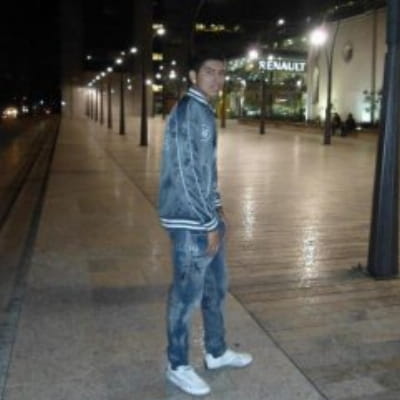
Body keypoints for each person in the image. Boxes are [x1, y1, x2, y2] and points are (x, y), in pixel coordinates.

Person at [158, 51, 253, 396]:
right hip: (190, 222)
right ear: (192, 76)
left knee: (215, 288)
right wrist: (207, 221)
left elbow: (206, 169)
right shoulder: (188, 112)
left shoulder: (204, 110)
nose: (217, 78)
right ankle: (178, 365)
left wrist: (216, 206)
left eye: (221, 73)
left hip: (204, 217)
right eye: (209, 71)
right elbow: (185, 173)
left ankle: (216, 351)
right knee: (185, 297)